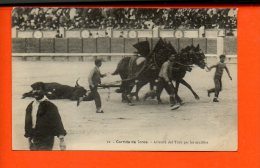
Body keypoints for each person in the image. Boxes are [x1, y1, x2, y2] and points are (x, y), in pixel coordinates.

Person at [24, 82, 67, 150]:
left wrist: (62, 141)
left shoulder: (50, 106)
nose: (35, 91)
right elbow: (28, 123)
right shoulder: (30, 106)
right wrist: (29, 138)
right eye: (34, 89)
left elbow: (57, 122)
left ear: (44, 91)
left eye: (38, 89)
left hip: (46, 139)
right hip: (34, 139)